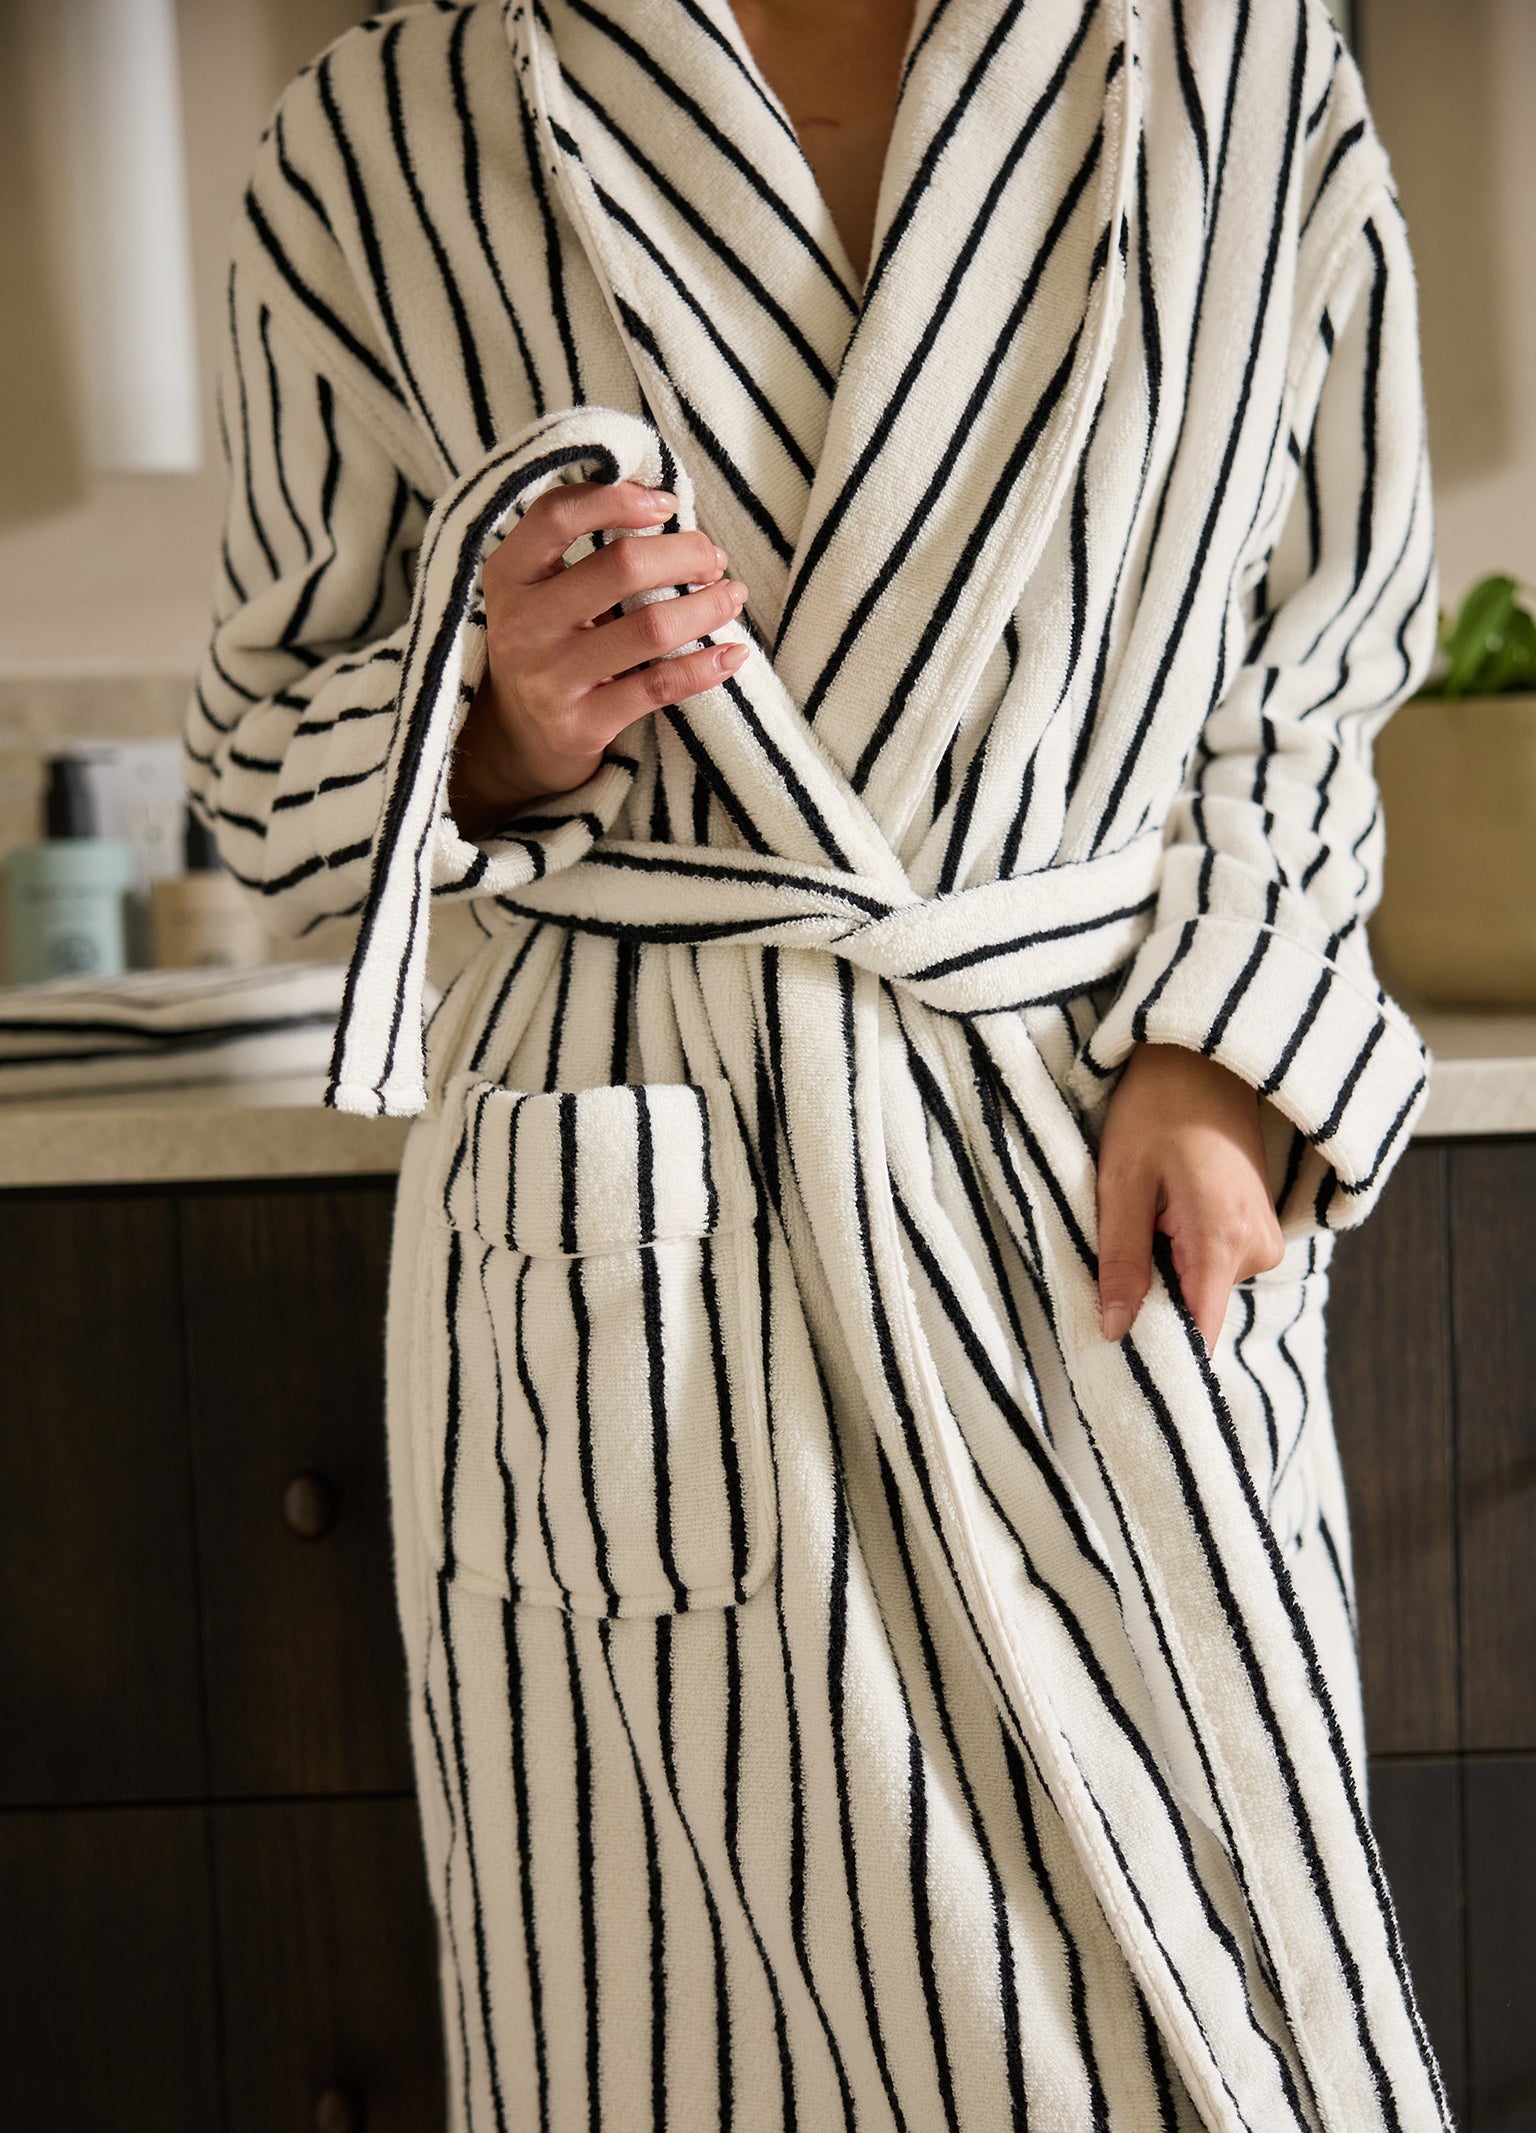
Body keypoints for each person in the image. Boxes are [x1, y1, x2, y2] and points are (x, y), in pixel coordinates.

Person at [190, 1, 1446, 2126]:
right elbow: (261, 759)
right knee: (700, 2031)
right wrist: (493, 721)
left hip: (1081, 1136)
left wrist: (1233, 1039)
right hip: (644, 1228)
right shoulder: (382, 123)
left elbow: (1314, 644)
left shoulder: (1235, 59)